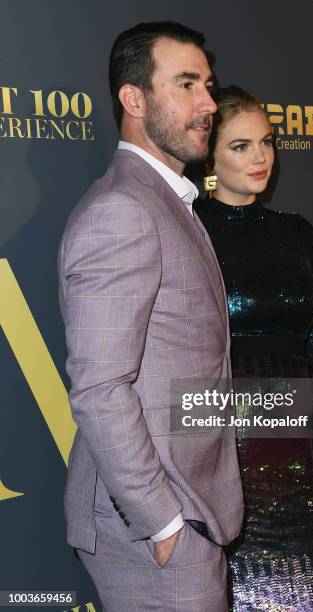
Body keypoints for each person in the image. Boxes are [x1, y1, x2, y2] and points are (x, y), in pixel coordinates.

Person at [58, 23, 243, 612]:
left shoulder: (166, 200)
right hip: (154, 522)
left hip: (188, 504)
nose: (209, 103)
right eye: (186, 84)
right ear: (133, 100)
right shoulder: (122, 210)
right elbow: (98, 388)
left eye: (208, 85)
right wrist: (162, 522)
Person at [195, 86, 313, 611]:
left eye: (267, 142)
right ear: (209, 154)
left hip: (295, 458)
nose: (260, 158)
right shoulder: (191, 231)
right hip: (224, 455)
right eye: (240, 146)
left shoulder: (297, 233)